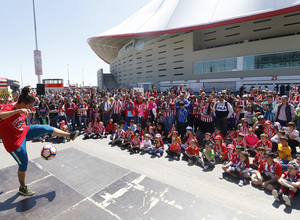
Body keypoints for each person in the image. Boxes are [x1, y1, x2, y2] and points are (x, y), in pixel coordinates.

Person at [0, 87, 79, 196]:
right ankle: (22, 188)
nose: (32, 108)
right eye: (30, 106)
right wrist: (18, 111)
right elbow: (0, 115)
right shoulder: (9, 108)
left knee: (45, 128)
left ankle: (69, 135)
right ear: (22, 104)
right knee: (23, 163)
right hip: (14, 142)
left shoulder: (21, 103)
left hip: (23, 131)